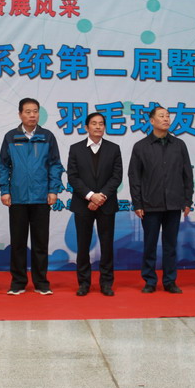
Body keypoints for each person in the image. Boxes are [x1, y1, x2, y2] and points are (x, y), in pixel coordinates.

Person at [0, 97, 64, 296]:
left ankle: (41, 282)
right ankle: (18, 283)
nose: (32, 115)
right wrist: (4, 190)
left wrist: (53, 190)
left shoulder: (47, 136)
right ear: (20, 114)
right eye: (28, 111)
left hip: (41, 198)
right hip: (17, 198)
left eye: (35, 111)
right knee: (18, 243)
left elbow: (55, 165)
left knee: (40, 243)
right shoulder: (11, 137)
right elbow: (3, 166)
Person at [127, 106, 193, 294]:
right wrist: (138, 203)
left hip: (174, 203)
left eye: (168, 116)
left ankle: (170, 281)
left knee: (170, 245)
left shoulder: (179, 145)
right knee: (150, 245)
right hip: (150, 204)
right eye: (161, 116)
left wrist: (187, 200)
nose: (166, 119)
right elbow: (134, 177)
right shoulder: (141, 146)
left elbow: (187, 174)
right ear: (152, 121)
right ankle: (149, 280)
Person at [67, 112, 123, 296]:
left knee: (107, 245)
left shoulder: (113, 149)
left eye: (101, 124)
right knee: (83, 245)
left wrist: (101, 197)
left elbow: (116, 177)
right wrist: (91, 196)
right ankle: (84, 283)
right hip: (82, 204)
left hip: (106, 204)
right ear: (86, 127)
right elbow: (73, 177)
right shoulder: (75, 149)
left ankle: (106, 283)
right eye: (94, 123)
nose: (98, 126)